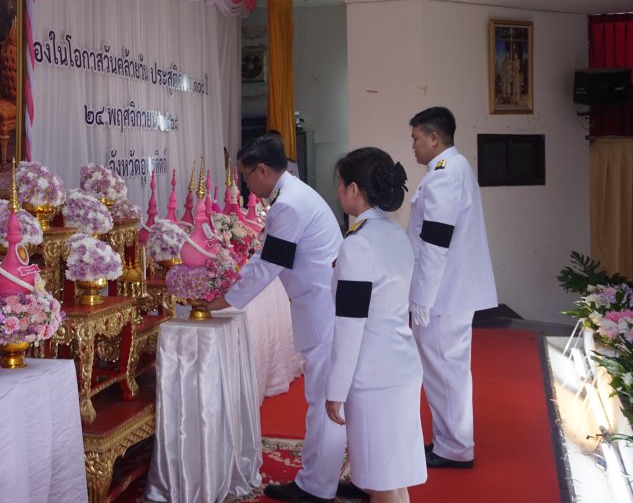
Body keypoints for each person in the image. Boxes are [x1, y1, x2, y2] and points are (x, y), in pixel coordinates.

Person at [211, 133, 361, 503]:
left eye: (246, 175)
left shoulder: (288, 205)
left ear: (263, 170)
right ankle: (340, 476)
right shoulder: (292, 194)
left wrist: (223, 300)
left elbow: (269, 265)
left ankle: (317, 486)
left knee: (325, 399)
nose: (245, 184)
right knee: (331, 397)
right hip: (324, 303)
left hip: (323, 309)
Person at [325, 148, 426, 503]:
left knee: (381, 482)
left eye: (340, 183)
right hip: (400, 365)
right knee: (394, 478)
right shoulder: (392, 231)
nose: (339, 190)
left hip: (373, 377)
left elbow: (350, 326)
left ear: (353, 189)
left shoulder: (359, 244)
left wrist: (335, 389)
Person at [407, 107, 497, 469]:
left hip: (442, 293)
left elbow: (434, 244)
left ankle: (455, 447)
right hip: (450, 290)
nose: (413, 146)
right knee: (447, 370)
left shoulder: (444, 176)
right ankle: (449, 440)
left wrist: (420, 299)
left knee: (444, 371)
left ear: (434, 138)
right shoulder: (453, 168)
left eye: (416, 138)